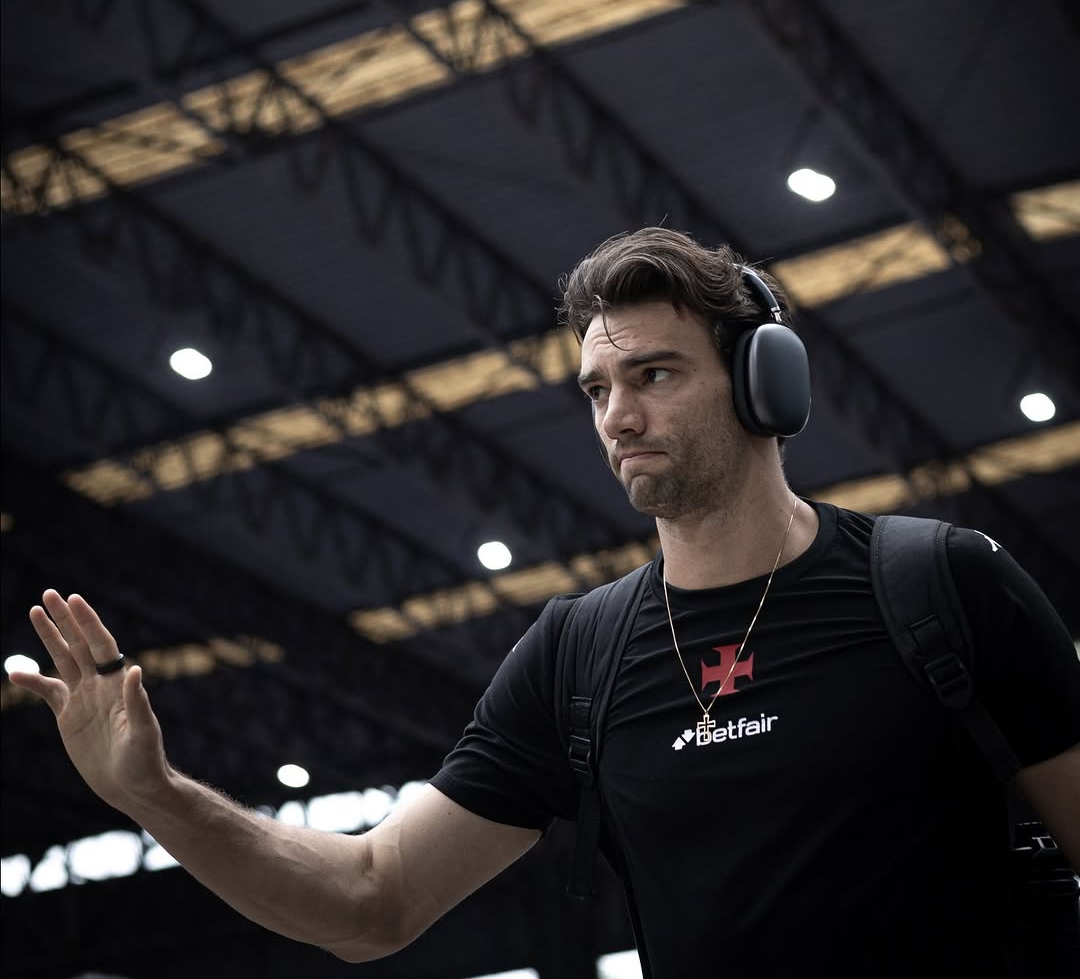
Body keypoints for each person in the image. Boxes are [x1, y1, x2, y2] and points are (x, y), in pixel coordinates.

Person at [11, 228, 1080, 977]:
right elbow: (371, 900)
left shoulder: (938, 585)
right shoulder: (580, 653)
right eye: (598, 390)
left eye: (655, 375)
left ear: (767, 384)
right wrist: (156, 796)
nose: (618, 416)